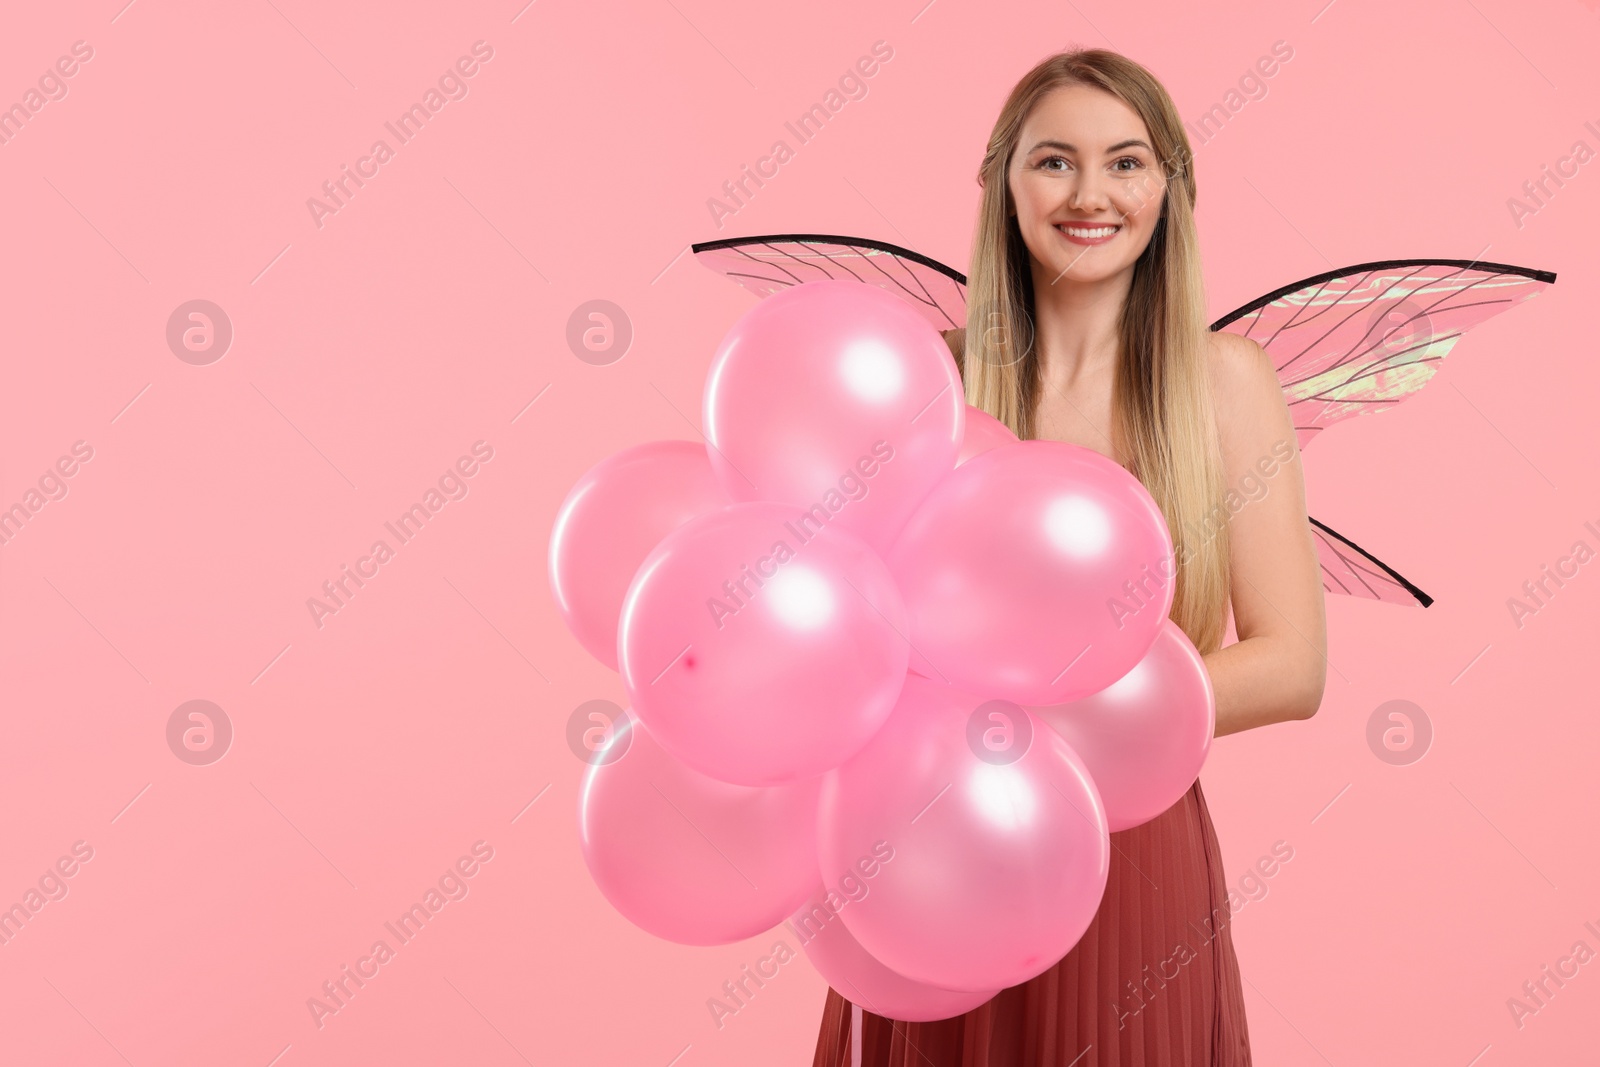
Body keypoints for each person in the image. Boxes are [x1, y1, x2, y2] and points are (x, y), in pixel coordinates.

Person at [811, 47, 1328, 1067]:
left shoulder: (1224, 383)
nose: (1090, 194)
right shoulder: (931, 382)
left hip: (1131, 844)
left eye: (1126, 163)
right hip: (930, 838)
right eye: (1054, 161)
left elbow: (1292, 663)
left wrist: (1064, 719)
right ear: (1003, 183)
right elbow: (846, 631)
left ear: (1169, 188)